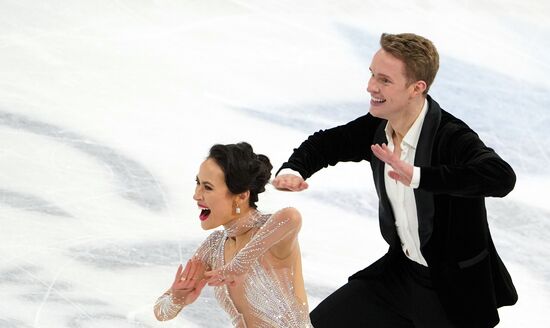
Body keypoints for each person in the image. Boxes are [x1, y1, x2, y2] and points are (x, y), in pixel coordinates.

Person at [272, 33, 517, 328]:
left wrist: (417, 175)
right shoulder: (378, 128)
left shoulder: (450, 138)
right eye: (373, 75)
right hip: (399, 276)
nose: (371, 86)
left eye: (384, 80)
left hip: (452, 291)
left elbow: (501, 177)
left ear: (417, 88)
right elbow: (328, 143)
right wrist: (295, 170)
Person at [154, 142, 312, 328]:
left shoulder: (268, 232)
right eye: (198, 183)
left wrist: (238, 265)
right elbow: (160, 312)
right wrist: (177, 298)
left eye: (208, 187)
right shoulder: (214, 246)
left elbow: (291, 217)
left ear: (242, 196)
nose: (196, 195)